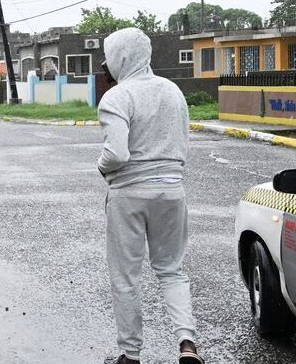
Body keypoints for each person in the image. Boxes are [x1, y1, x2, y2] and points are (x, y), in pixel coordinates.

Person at [97, 28, 202, 364]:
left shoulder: (117, 96)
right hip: (172, 190)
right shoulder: (173, 92)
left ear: (120, 57)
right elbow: (183, 144)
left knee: (126, 276)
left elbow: (116, 155)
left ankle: (130, 354)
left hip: (128, 194)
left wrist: (102, 168)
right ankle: (187, 343)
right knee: (172, 270)